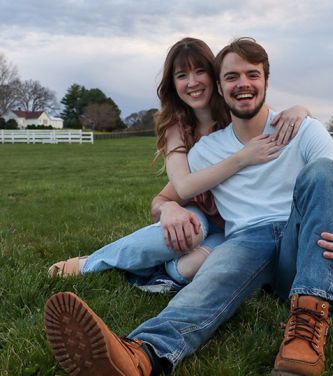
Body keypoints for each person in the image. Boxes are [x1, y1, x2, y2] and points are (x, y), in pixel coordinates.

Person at [44, 37, 333, 376]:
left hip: (300, 242)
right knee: (210, 282)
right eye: (232, 76)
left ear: (266, 80)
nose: (243, 83)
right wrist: (168, 207)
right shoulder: (206, 150)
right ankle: (140, 358)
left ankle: (307, 324)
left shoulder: (303, 129)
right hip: (247, 239)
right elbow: (171, 193)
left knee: (323, 170)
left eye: (252, 74)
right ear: (220, 85)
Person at [47, 37, 309, 291]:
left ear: (216, 78)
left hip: (238, 223)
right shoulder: (178, 128)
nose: (192, 82)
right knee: (189, 232)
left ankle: (158, 268)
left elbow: (272, 114)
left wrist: (301, 109)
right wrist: (170, 207)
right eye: (182, 75)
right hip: (198, 213)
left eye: (200, 71)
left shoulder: (237, 111)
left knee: (189, 268)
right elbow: (179, 189)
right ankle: (91, 263)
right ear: (173, 83)